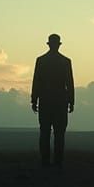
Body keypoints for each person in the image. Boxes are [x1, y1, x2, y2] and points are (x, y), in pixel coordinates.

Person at [31, 33, 75, 167]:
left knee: (45, 132)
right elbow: (70, 83)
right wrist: (71, 101)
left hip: (45, 101)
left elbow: (36, 82)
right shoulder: (65, 62)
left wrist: (34, 99)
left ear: (49, 44)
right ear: (58, 45)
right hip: (60, 102)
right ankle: (58, 162)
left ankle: (45, 162)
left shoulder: (41, 60)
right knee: (59, 134)